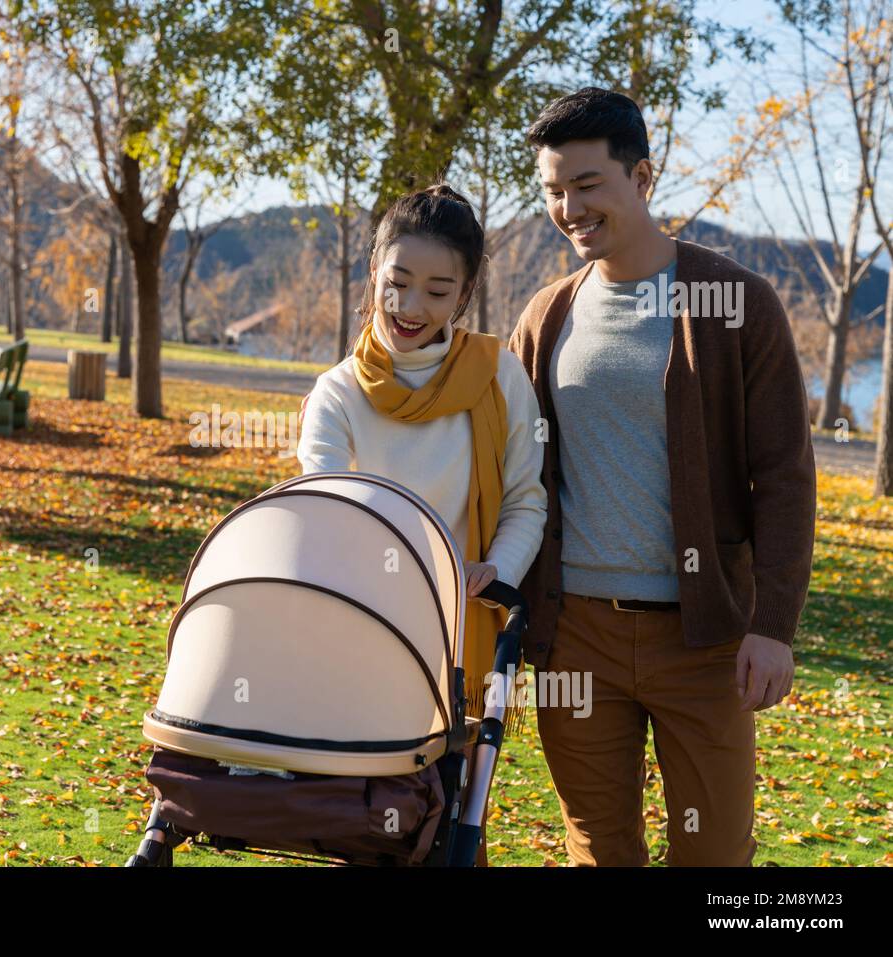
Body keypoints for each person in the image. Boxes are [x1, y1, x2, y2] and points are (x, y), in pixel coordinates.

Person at [506, 87, 817, 866]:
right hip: (575, 635)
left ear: (641, 177)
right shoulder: (545, 316)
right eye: (552, 191)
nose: (568, 207)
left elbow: (784, 476)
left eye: (586, 185)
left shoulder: (737, 303)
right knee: (600, 850)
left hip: (705, 635)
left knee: (714, 855)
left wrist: (773, 624)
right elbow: (510, 472)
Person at [296, 184, 548, 865]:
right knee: (365, 826)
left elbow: (528, 497)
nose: (411, 307)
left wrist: (495, 568)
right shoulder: (338, 392)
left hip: (461, 635)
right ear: (373, 272)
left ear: (464, 297)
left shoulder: (498, 375)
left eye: (438, 290)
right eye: (397, 282)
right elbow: (325, 505)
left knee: (449, 827)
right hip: (362, 629)